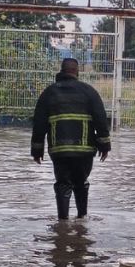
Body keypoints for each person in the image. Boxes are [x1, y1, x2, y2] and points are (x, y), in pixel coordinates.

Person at [31, 58, 111, 220]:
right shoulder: (89, 92)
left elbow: (39, 123)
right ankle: (82, 218)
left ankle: (62, 222)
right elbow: (101, 120)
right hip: (84, 151)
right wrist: (104, 145)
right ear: (77, 72)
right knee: (81, 182)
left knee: (62, 184)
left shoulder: (49, 93)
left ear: (62, 70)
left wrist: (37, 150)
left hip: (59, 151)